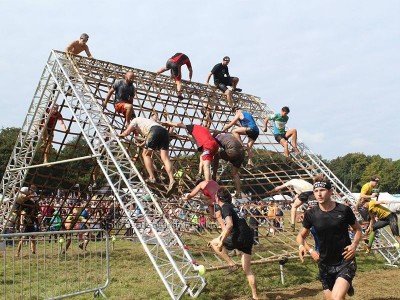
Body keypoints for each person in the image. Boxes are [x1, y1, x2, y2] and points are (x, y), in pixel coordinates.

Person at [297, 175, 362, 299]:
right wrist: (308, 249)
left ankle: (345, 282)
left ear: (330, 191)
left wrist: (354, 245)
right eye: (316, 191)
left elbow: (358, 228)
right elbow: (301, 236)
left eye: (322, 190)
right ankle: (345, 285)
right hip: (324, 263)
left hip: (345, 261)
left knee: (336, 298)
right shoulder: (311, 214)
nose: (319, 194)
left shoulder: (344, 210)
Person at [208, 187, 259, 300]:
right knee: (247, 270)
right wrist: (221, 238)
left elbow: (229, 225)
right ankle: (255, 297)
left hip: (239, 237)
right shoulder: (233, 207)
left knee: (213, 243)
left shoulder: (225, 207)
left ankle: (232, 264)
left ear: (218, 198)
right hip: (249, 237)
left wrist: (221, 242)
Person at [118, 117, 177, 196]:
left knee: (145, 154)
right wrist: (141, 144)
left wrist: (121, 135)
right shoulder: (147, 122)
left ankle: (152, 177)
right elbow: (149, 137)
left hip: (154, 131)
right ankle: (172, 179)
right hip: (164, 132)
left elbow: (127, 132)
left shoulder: (134, 121)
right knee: (165, 158)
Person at [212, 132, 245, 197]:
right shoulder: (228, 135)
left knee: (216, 156)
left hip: (232, 151)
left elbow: (214, 149)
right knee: (235, 173)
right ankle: (238, 192)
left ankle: (214, 175)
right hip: (242, 153)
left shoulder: (216, 138)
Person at [15, 189, 41, 257]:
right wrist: (21, 224)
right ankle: (17, 253)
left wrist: (38, 217)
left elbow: (37, 213)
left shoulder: (34, 205)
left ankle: (33, 252)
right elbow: (22, 214)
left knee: (33, 239)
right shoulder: (27, 203)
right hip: (26, 224)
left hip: (31, 223)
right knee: (23, 238)